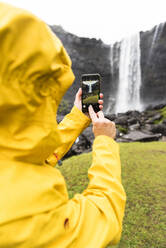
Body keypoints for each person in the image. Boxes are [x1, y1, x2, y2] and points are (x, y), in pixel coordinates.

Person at [0, 2, 126, 248]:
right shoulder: (23, 213)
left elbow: (22, 152)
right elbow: (103, 216)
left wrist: (78, 116)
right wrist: (104, 141)